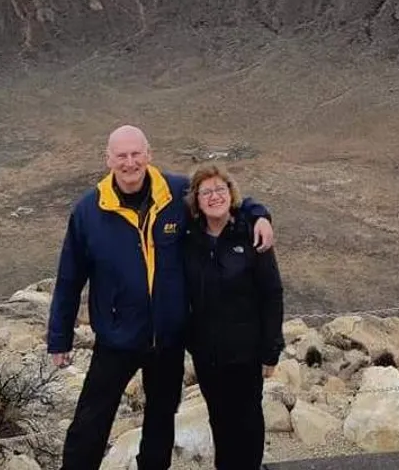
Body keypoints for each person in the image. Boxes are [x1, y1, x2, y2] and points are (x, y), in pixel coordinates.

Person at [46, 125, 276, 470]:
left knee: (161, 422)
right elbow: (69, 277)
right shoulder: (88, 211)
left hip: (169, 338)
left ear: (149, 155)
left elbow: (220, 199)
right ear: (108, 159)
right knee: (91, 420)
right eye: (121, 156)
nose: (129, 163)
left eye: (136, 154)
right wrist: (59, 337)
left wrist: (259, 214)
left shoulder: (177, 193)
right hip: (117, 336)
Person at [183, 164, 284, 470]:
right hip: (207, 354)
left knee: (248, 421)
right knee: (219, 419)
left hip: (246, 352)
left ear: (231, 193)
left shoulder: (251, 234)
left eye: (220, 189)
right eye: (206, 192)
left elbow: (272, 294)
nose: (214, 196)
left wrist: (271, 350)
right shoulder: (189, 237)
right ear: (197, 200)